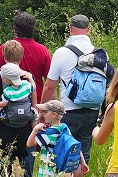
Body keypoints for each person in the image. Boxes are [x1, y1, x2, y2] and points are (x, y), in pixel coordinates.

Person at [0, 12, 52, 177]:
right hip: (31, 111)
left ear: (15, 30)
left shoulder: (6, 47)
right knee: (29, 147)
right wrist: (42, 109)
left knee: (5, 149)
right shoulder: (43, 51)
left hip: (7, 110)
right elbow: (49, 82)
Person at [40, 15, 100, 165]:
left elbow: (49, 86)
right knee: (83, 154)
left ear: (70, 29)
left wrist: (44, 111)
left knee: (63, 151)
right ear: (89, 30)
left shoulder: (62, 52)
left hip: (69, 110)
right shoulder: (99, 53)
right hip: (92, 110)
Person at [26, 100, 88, 177]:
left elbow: (30, 144)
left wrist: (35, 129)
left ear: (54, 114)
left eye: (45, 112)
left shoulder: (48, 133)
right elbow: (74, 146)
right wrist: (82, 162)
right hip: (61, 171)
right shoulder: (65, 128)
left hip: (47, 173)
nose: (42, 114)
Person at [0, 63, 37, 177]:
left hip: (8, 125)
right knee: (35, 115)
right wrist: (29, 77)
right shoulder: (26, 85)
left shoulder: (7, 91)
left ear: (8, 80)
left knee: (5, 157)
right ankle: (35, 134)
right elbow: (34, 88)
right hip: (24, 125)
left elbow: (3, 104)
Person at [0, 41, 37, 142]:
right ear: (21, 57)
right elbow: (34, 104)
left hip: (4, 123)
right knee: (24, 155)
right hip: (24, 124)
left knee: (3, 155)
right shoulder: (28, 77)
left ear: (4, 57)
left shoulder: (0, 76)